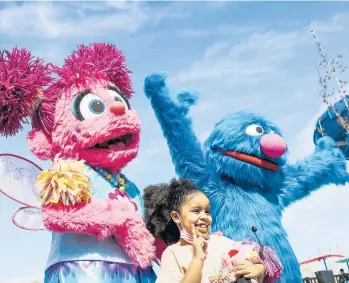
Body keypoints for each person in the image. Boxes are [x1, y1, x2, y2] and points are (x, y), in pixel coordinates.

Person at [143, 178, 283, 283]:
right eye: (196, 211)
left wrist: (259, 270)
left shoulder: (222, 241)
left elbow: (256, 262)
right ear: (176, 217)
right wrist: (198, 258)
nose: (204, 217)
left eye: (207, 212)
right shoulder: (174, 253)